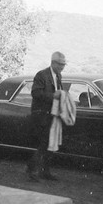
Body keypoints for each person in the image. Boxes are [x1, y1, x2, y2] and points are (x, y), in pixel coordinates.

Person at [26, 51, 66, 181]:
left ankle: (44, 172)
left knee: (50, 144)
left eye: (63, 65)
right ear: (53, 62)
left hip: (52, 115)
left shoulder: (59, 76)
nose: (62, 67)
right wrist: (53, 96)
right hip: (41, 115)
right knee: (44, 143)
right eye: (60, 64)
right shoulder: (41, 75)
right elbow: (35, 93)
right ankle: (33, 170)